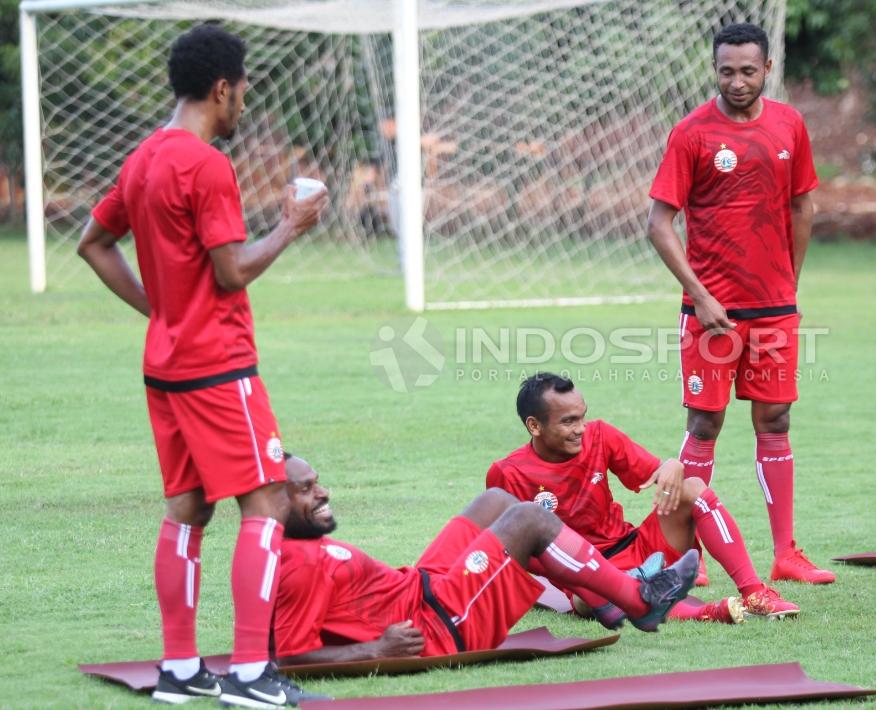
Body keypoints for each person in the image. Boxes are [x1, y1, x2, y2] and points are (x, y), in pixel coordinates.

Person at [77, 24, 329, 706]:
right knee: (268, 502)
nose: (242, 101)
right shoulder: (207, 164)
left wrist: (161, 311)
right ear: (224, 88)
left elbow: (94, 244)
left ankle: (180, 668)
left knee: (188, 510)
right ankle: (249, 674)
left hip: (165, 367)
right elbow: (231, 270)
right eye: (243, 90)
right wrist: (291, 226)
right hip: (219, 367)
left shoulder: (144, 158)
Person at [645, 22, 833, 585]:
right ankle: (688, 558)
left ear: (767, 70)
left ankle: (786, 554)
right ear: (715, 69)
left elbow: (804, 208)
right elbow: (658, 225)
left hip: (773, 310)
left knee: (775, 419)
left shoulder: (789, 125)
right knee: (704, 423)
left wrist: (788, 285)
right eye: (726, 70)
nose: (737, 81)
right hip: (711, 312)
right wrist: (699, 296)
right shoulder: (692, 133)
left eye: (748, 70)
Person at [273, 454, 699, 664]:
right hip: (440, 624)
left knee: (495, 500)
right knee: (529, 519)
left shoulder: (292, 545)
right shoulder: (301, 565)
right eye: (306, 489)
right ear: (273, 502)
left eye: (318, 482)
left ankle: (602, 598)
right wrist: (376, 649)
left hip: (422, 589)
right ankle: (638, 602)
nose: (323, 492)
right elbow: (287, 655)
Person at [486, 373, 801, 623]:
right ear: (534, 426)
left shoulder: (600, 435)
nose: (581, 428)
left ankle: (754, 593)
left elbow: (657, 472)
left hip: (637, 549)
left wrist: (673, 465)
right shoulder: (507, 473)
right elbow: (515, 550)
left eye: (582, 417)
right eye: (568, 421)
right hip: (585, 575)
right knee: (593, 600)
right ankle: (706, 612)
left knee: (693, 488)